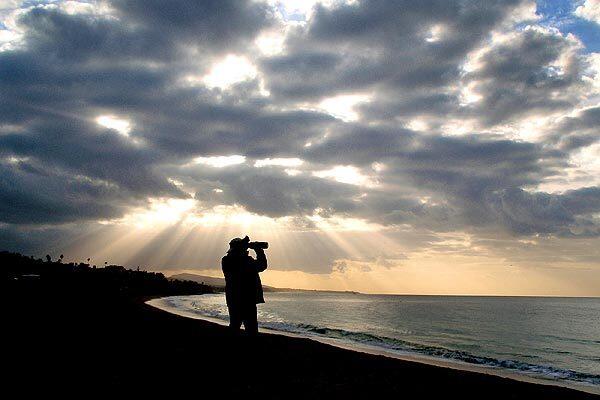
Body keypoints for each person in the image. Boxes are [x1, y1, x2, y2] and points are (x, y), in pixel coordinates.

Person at [221, 236, 267, 335]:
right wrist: (258, 250)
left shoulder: (226, 260)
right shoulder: (242, 261)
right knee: (251, 329)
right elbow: (262, 265)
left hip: (233, 299)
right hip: (247, 299)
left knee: (235, 325)